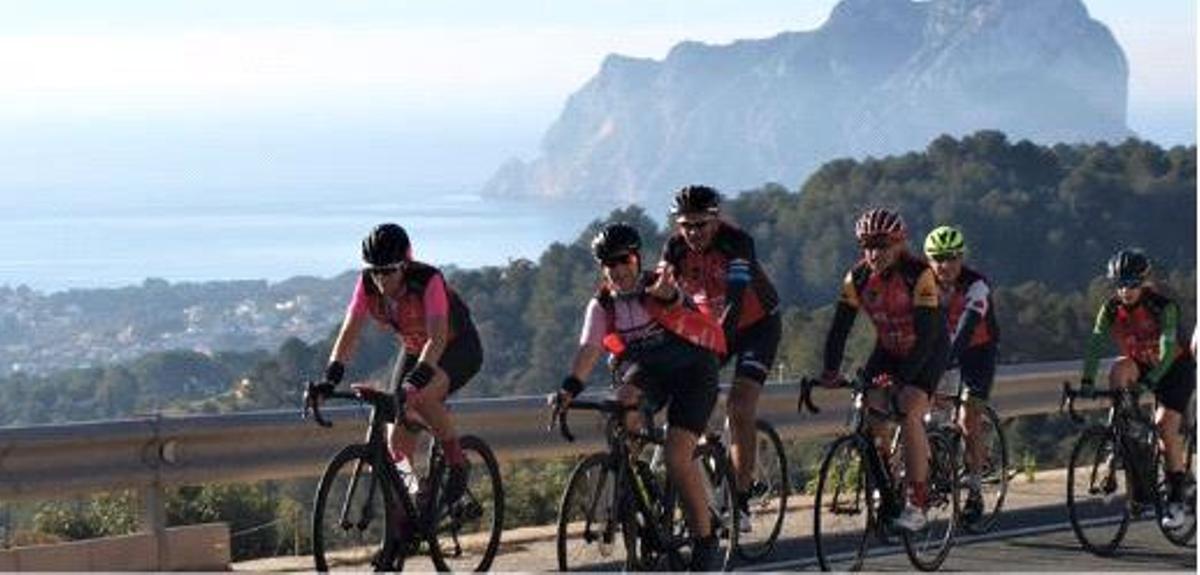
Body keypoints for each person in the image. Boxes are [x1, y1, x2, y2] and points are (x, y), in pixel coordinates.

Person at [556, 222, 725, 571]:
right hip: (652, 371)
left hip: (694, 370)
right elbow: (589, 348)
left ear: (637, 259)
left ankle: (706, 542)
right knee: (624, 401)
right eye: (609, 264)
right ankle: (634, 480)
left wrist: (669, 296)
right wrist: (569, 387)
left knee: (679, 457)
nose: (617, 271)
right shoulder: (603, 304)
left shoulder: (659, 286)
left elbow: (676, 298)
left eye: (623, 261)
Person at [318, 223, 483, 508]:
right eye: (375, 270)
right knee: (395, 446)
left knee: (421, 396)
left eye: (388, 270)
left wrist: (414, 383)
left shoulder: (428, 280)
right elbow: (349, 332)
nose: (381, 279)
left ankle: (457, 462)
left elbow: (438, 338)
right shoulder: (367, 284)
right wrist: (331, 377)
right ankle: (412, 499)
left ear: (405, 265)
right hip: (415, 349)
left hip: (456, 347)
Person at [660, 184, 781, 531]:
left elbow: (736, 299)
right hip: (710, 327)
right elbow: (661, 294)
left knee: (739, 407)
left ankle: (740, 502)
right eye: (686, 225)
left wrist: (715, 347)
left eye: (701, 224)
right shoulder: (675, 248)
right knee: (688, 397)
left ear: (716, 220)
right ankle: (710, 451)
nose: (694, 233)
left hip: (757, 325)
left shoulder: (737, 243)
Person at [818, 208, 948, 532]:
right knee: (869, 412)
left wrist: (902, 381)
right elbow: (838, 329)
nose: (874, 253)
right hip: (889, 348)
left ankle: (918, 501)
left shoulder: (919, 274)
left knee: (908, 408)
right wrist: (830, 371)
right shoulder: (858, 277)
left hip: (926, 349)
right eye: (867, 245)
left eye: (882, 246)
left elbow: (927, 336)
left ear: (899, 244)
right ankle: (886, 485)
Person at [1080, 248, 1195, 529]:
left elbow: (1168, 350)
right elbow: (1096, 342)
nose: (1125, 290)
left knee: (1164, 426)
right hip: (1142, 363)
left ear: (1144, 281)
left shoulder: (1162, 306)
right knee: (1119, 369)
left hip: (1174, 368)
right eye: (1119, 284)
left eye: (1131, 284)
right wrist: (1086, 380)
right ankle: (1120, 429)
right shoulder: (1110, 308)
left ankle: (1177, 499)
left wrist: (1153, 379)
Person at [923, 225, 1000, 526]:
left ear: (961, 258)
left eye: (952, 258)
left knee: (968, 417)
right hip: (944, 349)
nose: (945, 265)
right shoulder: (923, 284)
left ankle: (975, 491)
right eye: (938, 258)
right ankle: (935, 470)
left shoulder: (976, 284)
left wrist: (945, 359)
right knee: (926, 414)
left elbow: (968, 324)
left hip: (978, 350)